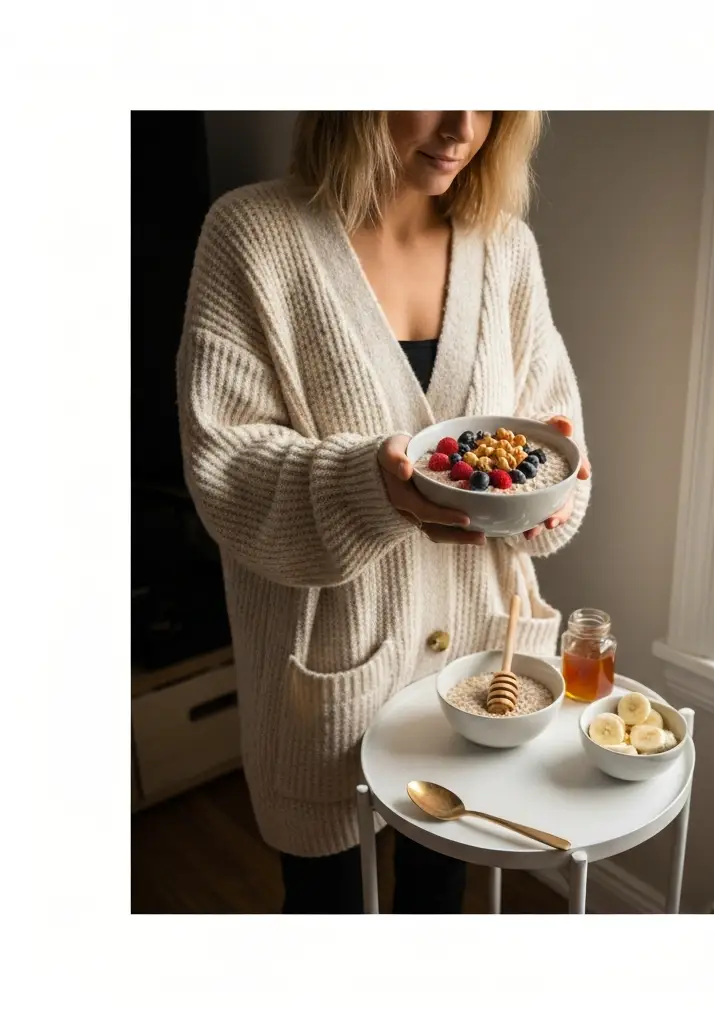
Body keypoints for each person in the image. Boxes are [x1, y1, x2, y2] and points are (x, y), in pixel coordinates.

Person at [176, 111, 592, 913]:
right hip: (331, 673)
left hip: (479, 661)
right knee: (328, 908)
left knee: (441, 890)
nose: (463, 125)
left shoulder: (505, 245)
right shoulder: (253, 234)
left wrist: (547, 495)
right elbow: (222, 464)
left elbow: (552, 425)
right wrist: (368, 488)